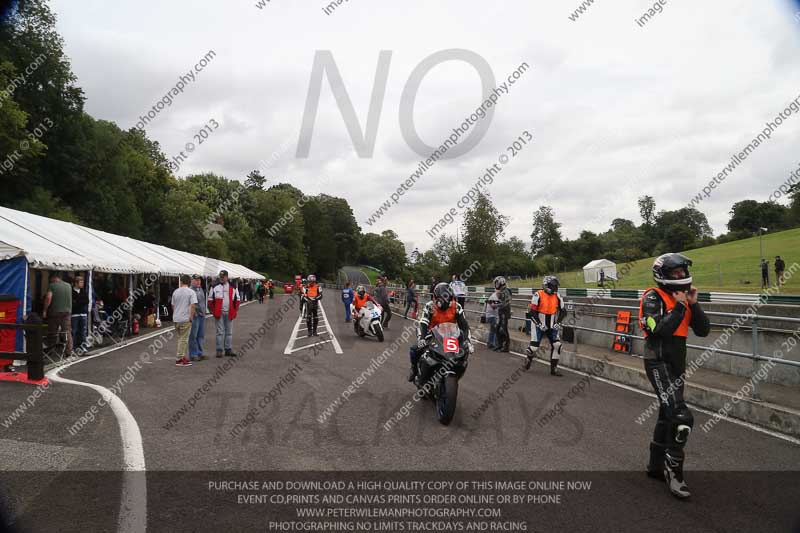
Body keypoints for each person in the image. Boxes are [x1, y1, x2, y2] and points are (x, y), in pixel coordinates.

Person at [639, 253, 710, 499]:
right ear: (663, 275)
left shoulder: (684, 299)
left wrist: (693, 304)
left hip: (676, 366)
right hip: (657, 363)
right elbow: (657, 330)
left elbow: (703, 330)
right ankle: (674, 472)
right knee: (681, 417)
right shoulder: (652, 297)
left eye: (683, 271)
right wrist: (680, 306)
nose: (681, 276)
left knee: (666, 414)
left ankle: (655, 466)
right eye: (676, 272)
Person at [408, 283, 473, 382]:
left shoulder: (457, 307)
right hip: (432, 334)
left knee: (463, 352)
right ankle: (414, 369)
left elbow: (464, 326)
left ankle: (454, 374)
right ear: (435, 297)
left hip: (451, 336)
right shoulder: (430, 306)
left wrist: (468, 341)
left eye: (448, 299)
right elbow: (423, 323)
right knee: (415, 348)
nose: (446, 302)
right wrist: (422, 338)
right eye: (441, 299)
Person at [524, 276, 567, 376]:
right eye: (553, 286)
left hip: (551, 325)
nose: (555, 288)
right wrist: (539, 324)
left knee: (557, 346)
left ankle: (554, 369)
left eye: (556, 286)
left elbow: (563, 311)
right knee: (534, 348)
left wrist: (558, 322)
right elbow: (532, 312)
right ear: (546, 285)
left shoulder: (557, 296)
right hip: (537, 324)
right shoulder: (538, 295)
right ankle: (528, 359)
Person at [208, 270, 240, 358]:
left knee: (229, 333)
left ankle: (228, 349)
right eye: (220, 277)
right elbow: (210, 300)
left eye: (223, 277)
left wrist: (235, 310)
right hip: (219, 313)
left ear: (227, 277)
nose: (221, 278)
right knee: (220, 333)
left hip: (229, 313)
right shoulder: (214, 286)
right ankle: (219, 350)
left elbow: (237, 299)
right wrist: (213, 311)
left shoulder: (233, 286)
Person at [43, 272, 73, 357]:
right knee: (67, 332)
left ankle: (51, 350)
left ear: (53, 278)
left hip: (54, 312)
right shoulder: (68, 286)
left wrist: (45, 310)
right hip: (67, 312)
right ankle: (69, 351)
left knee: (52, 332)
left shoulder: (52, 285)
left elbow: (48, 298)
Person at [172, 275, 197, 367]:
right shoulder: (191, 292)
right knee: (184, 339)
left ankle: (182, 356)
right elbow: (193, 305)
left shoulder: (175, 292)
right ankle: (179, 358)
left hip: (176, 318)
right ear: (189, 282)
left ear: (181, 282)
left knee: (180, 338)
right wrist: (191, 317)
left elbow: (173, 305)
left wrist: (176, 314)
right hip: (185, 318)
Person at [188, 274, 207, 362]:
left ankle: (199, 353)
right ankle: (193, 354)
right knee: (193, 335)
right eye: (196, 280)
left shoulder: (201, 289)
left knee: (200, 335)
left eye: (199, 280)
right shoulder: (190, 291)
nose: (198, 281)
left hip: (202, 315)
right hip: (195, 315)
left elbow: (203, 302)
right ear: (192, 281)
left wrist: (205, 312)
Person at [70, 275, 89, 355]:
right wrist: (80, 302)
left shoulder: (83, 291)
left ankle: (83, 347)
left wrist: (77, 302)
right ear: (76, 283)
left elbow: (86, 301)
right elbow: (72, 303)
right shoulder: (71, 292)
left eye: (83, 282)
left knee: (83, 331)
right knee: (74, 331)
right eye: (81, 282)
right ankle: (73, 347)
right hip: (75, 314)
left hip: (83, 313)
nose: (82, 284)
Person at [493, 276, 512, 352]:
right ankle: (500, 345)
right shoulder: (501, 291)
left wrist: (496, 303)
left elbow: (506, 302)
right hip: (501, 311)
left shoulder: (506, 291)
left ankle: (506, 346)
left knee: (504, 329)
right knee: (498, 328)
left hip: (505, 311)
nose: (496, 285)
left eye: (497, 283)